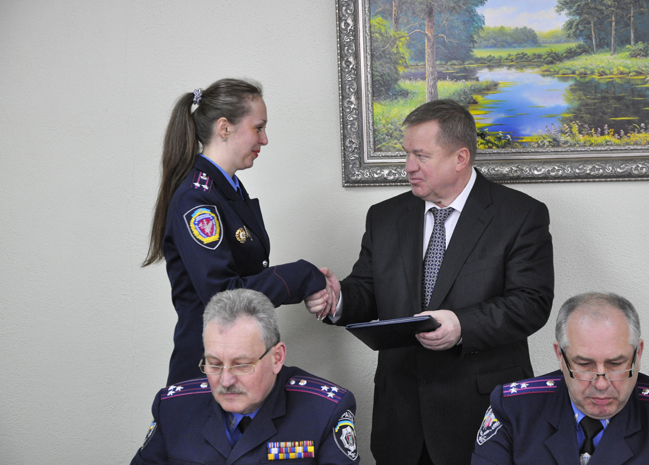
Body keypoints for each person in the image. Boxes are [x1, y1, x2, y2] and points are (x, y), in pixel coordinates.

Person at [305, 99, 554, 465]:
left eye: (421, 156)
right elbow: (368, 290)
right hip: (401, 419)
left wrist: (462, 325)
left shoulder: (520, 215)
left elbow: (531, 302)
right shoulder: (384, 217)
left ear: (460, 157)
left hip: (481, 416)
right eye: (407, 154)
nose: (409, 166)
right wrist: (337, 298)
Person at [142, 79, 327, 385]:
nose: (264, 139)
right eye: (258, 127)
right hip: (208, 369)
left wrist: (309, 280)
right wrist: (302, 276)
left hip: (236, 361)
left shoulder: (227, 189)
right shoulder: (196, 199)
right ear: (224, 128)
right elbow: (222, 295)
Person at [132, 289, 360, 465]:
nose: (225, 381)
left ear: (277, 358)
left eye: (241, 365)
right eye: (214, 364)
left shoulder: (325, 412)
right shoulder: (173, 409)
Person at [472, 292, 649, 465]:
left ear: (638, 353)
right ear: (560, 356)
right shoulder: (513, 408)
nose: (601, 383)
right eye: (584, 365)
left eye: (616, 364)